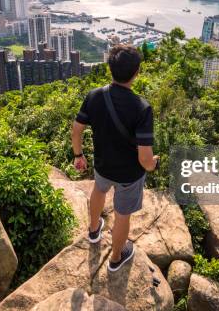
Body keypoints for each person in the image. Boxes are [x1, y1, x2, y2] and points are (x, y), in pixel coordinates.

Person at [71, 44, 159, 272]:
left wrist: (78, 155)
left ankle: (93, 231)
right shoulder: (142, 108)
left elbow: (77, 128)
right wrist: (153, 164)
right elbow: (145, 159)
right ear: (137, 72)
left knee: (99, 191)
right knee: (122, 215)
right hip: (129, 175)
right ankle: (116, 258)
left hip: (102, 165)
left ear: (110, 68)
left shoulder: (95, 96)